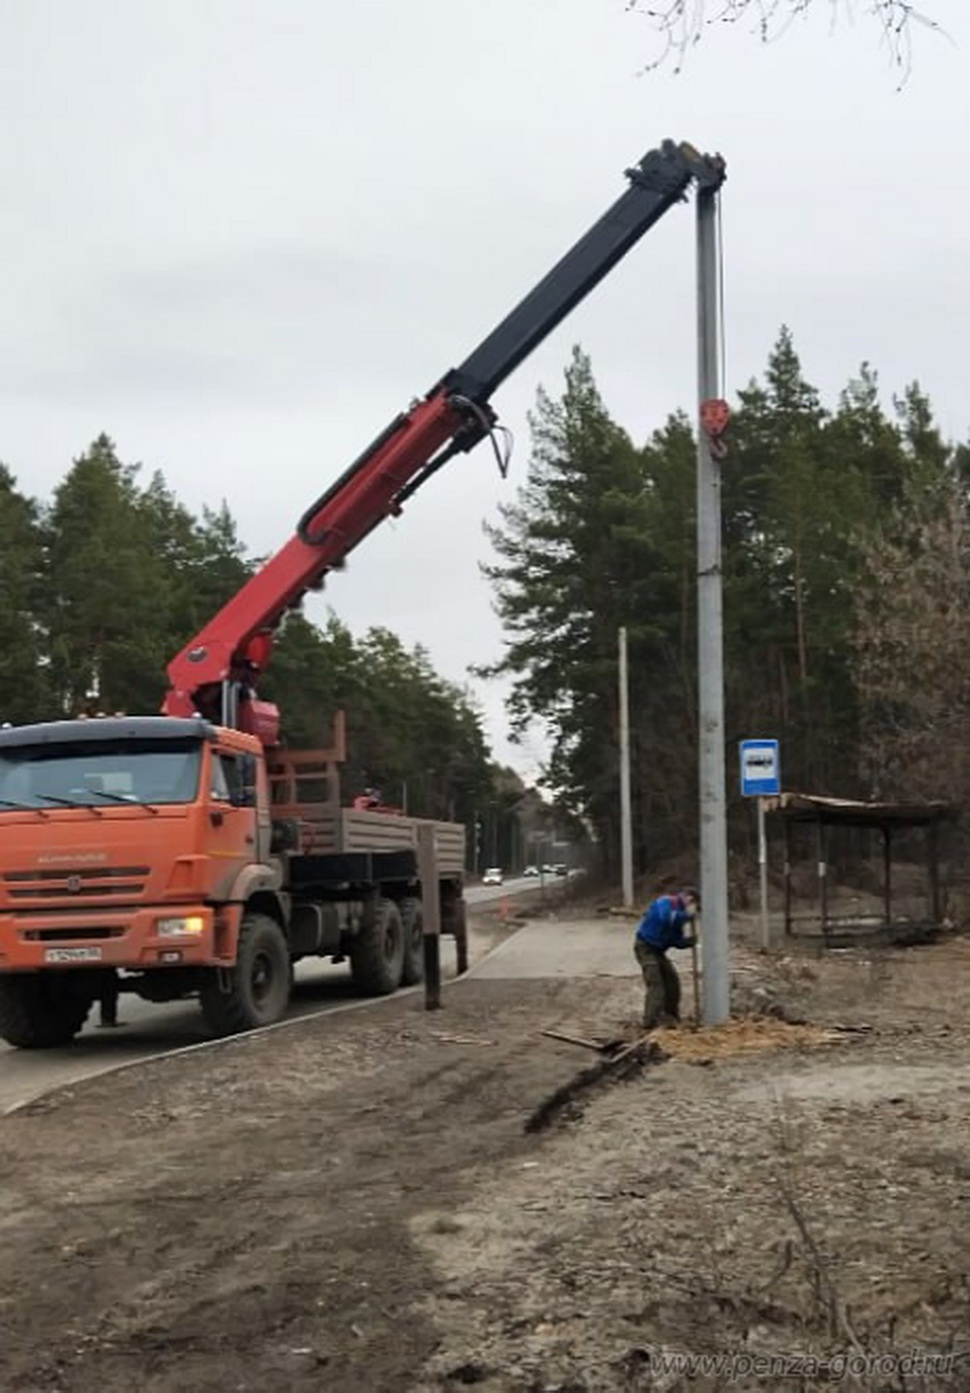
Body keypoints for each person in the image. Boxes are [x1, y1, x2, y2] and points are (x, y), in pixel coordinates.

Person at [633, 887, 700, 1030]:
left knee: (672, 982)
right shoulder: (666, 902)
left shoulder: (680, 916)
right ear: (689, 899)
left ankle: (670, 1016)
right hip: (645, 947)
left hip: (658, 951)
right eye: (694, 905)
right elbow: (666, 918)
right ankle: (649, 1022)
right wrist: (686, 916)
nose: (694, 909)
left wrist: (687, 942)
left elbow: (675, 939)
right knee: (656, 984)